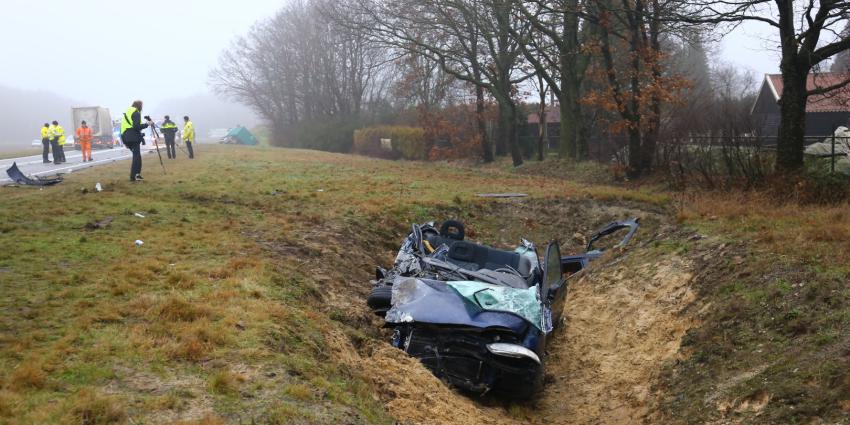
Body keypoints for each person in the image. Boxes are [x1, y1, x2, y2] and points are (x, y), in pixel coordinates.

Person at [120, 100, 150, 182]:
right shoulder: (136, 113)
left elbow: (123, 127)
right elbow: (136, 126)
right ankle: (133, 176)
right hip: (133, 137)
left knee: (137, 156)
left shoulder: (127, 112)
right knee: (136, 157)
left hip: (126, 136)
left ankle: (137, 175)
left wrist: (124, 141)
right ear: (139, 106)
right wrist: (147, 124)